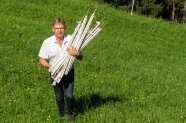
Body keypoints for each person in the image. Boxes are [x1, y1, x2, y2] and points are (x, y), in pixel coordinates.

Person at [38, 18, 83, 121]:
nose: (59, 30)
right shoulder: (47, 42)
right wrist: (51, 67)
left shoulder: (72, 39)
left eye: (61, 28)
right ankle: (62, 115)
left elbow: (80, 57)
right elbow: (41, 60)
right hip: (55, 72)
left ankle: (70, 113)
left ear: (65, 28)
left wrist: (77, 54)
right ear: (53, 29)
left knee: (69, 96)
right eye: (57, 28)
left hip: (69, 71)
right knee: (59, 96)